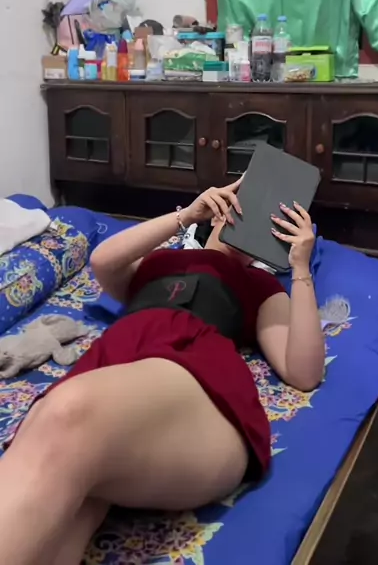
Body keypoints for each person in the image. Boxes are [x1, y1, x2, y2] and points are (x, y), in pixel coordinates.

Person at [0, 179, 325, 565]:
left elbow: (304, 372)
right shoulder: (156, 262)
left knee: (65, 416)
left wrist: (300, 268)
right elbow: (103, 261)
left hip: (191, 374)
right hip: (116, 359)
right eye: (241, 206)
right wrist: (185, 216)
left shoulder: (259, 284)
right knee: (73, 500)